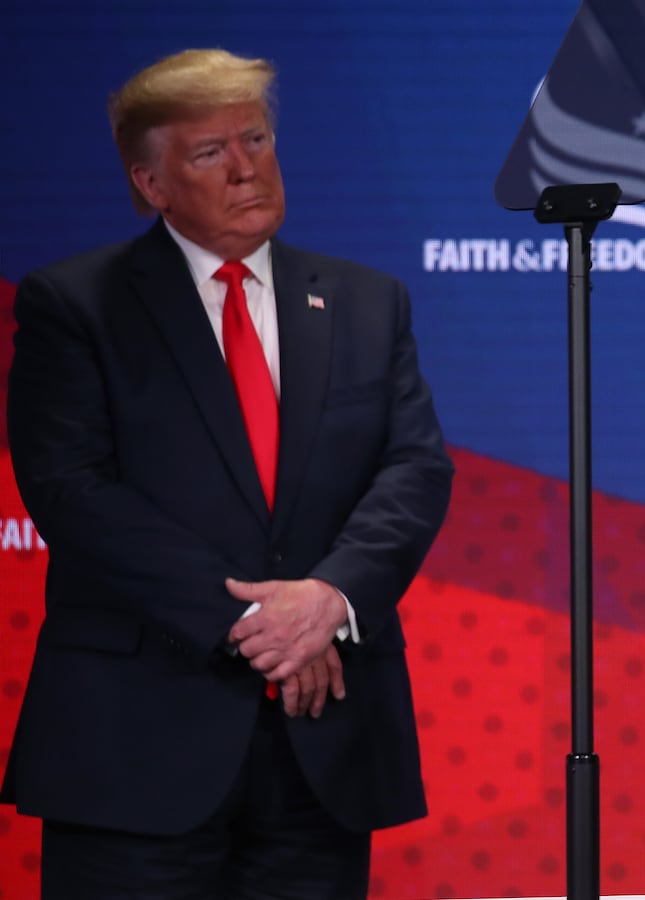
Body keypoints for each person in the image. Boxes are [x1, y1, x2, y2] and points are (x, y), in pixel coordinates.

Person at [1, 48, 454, 897]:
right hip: (137, 745)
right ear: (151, 184)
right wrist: (261, 627)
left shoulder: (366, 300)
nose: (246, 168)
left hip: (321, 741)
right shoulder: (74, 304)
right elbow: (74, 491)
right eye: (210, 153)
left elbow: (414, 468)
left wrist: (329, 601)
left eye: (256, 138)